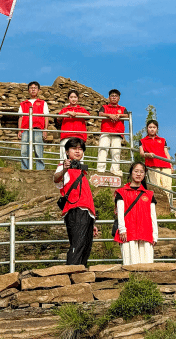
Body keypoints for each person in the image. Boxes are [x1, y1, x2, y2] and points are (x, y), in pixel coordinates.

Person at [53, 138, 99, 266]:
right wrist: (64, 168)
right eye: (74, 148)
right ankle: (72, 273)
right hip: (75, 210)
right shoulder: (64, 167)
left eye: (80, 149)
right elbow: (56, 179)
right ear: (67, 152)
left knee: (86, 248)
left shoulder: (81, 170)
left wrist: (92, 221)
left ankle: (80, 272)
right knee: (77, 246)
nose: (78, 151)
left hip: (87, 213)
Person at [114, 162, 158, 265]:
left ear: (144, 174)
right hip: (128, 233)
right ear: (131, 173)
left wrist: (155, 235)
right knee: (130, 263)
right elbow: (120, 213)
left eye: (141, 172)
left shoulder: (149, 194)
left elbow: (153, 216)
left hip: (146, 232)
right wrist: (122, 229)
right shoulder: (121, 192)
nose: (139, 174)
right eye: (136, 171)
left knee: (147, 264)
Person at [138, 120, 175, 209]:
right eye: (150, 127)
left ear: (157, 129)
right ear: (147, 128)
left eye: (154, 127)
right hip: (152, 165)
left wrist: (171, 165)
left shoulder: (162, 140)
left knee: (167, 187)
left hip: (165, 165)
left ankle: (167, 207)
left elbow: (166, 153)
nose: (152, 129)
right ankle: (157, 207)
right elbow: (141, 153)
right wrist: (147, 155)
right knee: (156, 186)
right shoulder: (142, 141)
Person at [18, 81, 49, 170]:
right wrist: (19, 130)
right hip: (25, 129)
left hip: (38, 129)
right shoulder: (23, 103)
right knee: (24, 151)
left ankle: (40, 170)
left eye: (35, 88)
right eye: (31, 88)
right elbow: (20, 117)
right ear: (28, 90)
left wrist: (45, 130)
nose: (33, 90)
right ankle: (25, 170)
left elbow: (46, 117)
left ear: (38, 90)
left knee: (39, 150)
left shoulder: (43, 103)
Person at [96, 89, 128, 176]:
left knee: (116, 152)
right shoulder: (104, 107)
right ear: (109, 98)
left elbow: (127, 115)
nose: (114, 97)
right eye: (112, 96)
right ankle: (100, 170)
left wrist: (120, 115)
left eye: (116, 96)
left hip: (117, 133)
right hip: (105, 132)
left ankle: (115, 170)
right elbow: (100, 114)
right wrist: (109, 115)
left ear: (119, 98)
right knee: (103, 150)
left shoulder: (122, 108)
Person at [57, 90, 90, 161]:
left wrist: (76, 114)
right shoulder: (64, 110)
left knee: (79, 159)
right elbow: (58, 118)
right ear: (68, 98)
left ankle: (79, 169)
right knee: (64, 158)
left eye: (75, 97)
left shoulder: (82, 109)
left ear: (78, 98)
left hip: (79, 136)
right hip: (66, 136)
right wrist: (67, 113)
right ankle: (63, 168)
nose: (73, 99)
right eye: (71, 97)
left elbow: (88, 116)